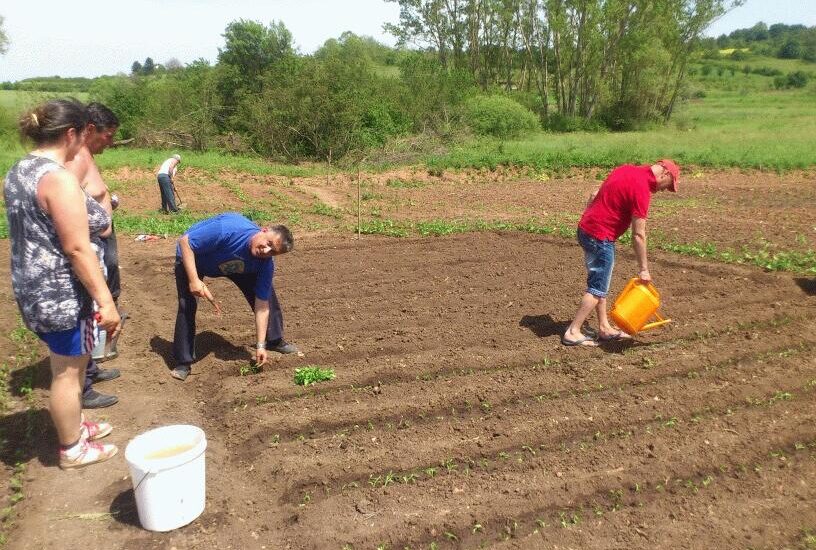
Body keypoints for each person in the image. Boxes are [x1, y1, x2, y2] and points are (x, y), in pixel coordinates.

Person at [4, 99, 121, 468]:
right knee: (68, 373)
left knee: (69, 365)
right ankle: (73, 449)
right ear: (71, 134)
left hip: (33, 286)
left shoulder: (20, 170)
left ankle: (77, 426)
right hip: (62, 294)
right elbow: (76, 247)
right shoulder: (59, 179)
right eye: (82, 134)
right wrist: (106, 301)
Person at [562, 159, 679, 347]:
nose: (665, 190)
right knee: (597, 288)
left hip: (586, 230)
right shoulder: (642, 190)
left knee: (601, 282)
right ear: (665, 174)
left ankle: (604, 327)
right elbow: (639, 235)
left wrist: (589, 216)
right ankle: (573, 331)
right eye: (668, 185)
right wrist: (644, 269)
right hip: (601, 237)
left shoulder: (625, 169)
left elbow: (594, 195)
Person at [171, 213, 299, 381]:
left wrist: (260, 346)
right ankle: (183, 361)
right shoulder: (228, 229)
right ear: (264, 230)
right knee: (187, 304)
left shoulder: (264, 264)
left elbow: (262, 306)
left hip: (237, 265)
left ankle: (273, 340)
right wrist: (194, 280)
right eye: (268, 243)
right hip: (194, 258)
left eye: (273, 252)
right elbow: (185, 242)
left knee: (266, 295)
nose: (266, 251)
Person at [65, 102, 122, 409]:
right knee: (85, 312)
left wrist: (108, 203)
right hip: (87, 246)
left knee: (90, 312)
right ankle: (82, 388)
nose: (110, 143)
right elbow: (65, 203)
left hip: (98, 242)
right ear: (89, 130)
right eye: (107, 136)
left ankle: (91, 370)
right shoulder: (74, 161)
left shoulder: (85, 156)